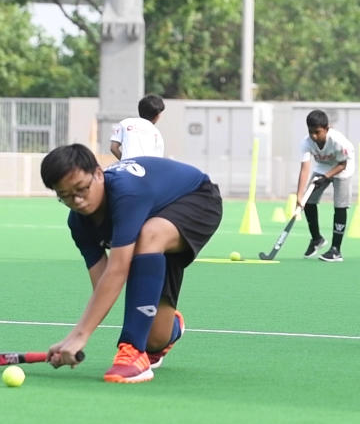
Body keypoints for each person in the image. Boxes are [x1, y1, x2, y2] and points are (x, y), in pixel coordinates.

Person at [40, 144, 223, 383]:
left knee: (149, 235)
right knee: (156, 340)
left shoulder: (126, 193)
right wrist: (70, 340)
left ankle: (133, 351)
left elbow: (118, 271)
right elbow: (103, 282)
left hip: (197, 198)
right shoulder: (79, 224)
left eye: (82, 189)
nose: (78, 201)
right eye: (65, 196)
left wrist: (81, 336)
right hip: (155, 217)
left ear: (98, 174)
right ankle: (169, 329)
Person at [296, 109, 354, 262]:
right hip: (323, 166)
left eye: (317, 132)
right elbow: (305, 169)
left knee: (340, 206)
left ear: (327, 129)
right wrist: (299, 196)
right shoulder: (306, 143)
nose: (314, 136)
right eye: (310, 132)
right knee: (309, 201)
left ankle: (336, 250)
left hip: (343, 167)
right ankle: (316, 239)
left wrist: (326, 177)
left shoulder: (337, 141)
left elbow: (342, 164)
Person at [110, 94, 165, 160]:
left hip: (127, 168)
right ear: (157, 115)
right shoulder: (156, 133)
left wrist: (125, 162)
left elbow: (113, 148)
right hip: (146, 168)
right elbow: (157, 160)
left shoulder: (124, 123)